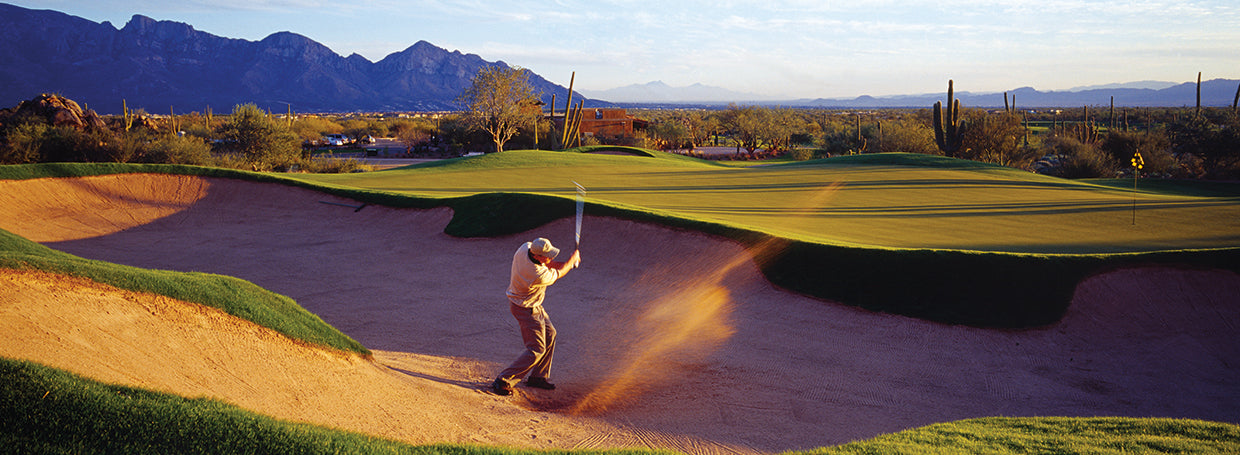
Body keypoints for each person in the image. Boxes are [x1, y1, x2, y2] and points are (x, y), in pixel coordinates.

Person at [490, 237, 580, 396]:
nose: (551, 258)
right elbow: (559, 272)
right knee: (536, 350)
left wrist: (569, 262)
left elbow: (550, 264)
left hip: (532, 305)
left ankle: (538, 377)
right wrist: (572, 261)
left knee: (550, 334)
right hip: (526, 310)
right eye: (547, 255)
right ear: (537, 256)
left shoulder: (525, 248)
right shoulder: (536, 274)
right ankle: (503, 380)